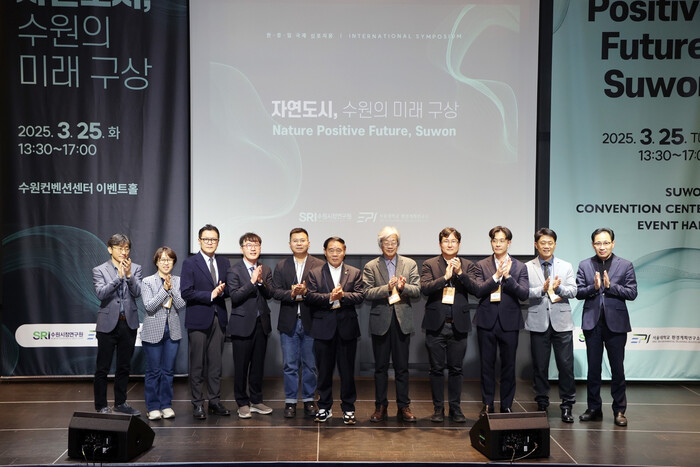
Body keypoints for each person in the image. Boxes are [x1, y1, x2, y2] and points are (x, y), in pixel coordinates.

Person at [576, 227, 637, 427]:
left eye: (606, 242)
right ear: (593, 244)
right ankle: (594, 408)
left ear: (613, 243)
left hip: (616, 324)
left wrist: (612, 287)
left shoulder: (625, 265)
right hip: (592, 323)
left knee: (617, 369)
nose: (602, 247)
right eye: (598, 243)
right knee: (593, 369)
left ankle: (619, 410)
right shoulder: (585, 265)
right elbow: (578, 292)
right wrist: (593, 288)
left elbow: (632, 292)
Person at [420, 227, 478, 423]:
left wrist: (460, 273)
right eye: (446, 241)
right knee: (436, 369)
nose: (450, 244)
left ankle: (455, 408)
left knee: (456, 369)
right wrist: (444, 277)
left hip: (458, 325)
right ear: (440, 244)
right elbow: (425, 288)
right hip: (436, 325)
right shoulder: (430, 264)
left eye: (453, 241)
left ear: (459, 244)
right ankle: (438, 409)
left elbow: (476, 289)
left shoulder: (468, 265)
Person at [363, 226, 420, 423]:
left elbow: (417, 290)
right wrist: (386, 288)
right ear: (380, 244)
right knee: (380, 368)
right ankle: (380, 405)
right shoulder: (371, 266)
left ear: (398, 244)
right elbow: (366, 292)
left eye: (393, 242)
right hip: (381, 322)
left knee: (402, 367)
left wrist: (403, 287)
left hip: (402, 321)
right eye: (386, 242)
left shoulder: (409, 264)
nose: (389, 245)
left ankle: (404, 405)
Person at [306, 237, 364, 425]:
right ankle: (324, 407)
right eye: (331, 250)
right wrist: (330, 297)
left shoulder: (354, 272)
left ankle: (348, 409)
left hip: (347, 329)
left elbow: (360, 295)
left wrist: (343, 296)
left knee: (347, 372)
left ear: (344, 251)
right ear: (325, 252)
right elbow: (310, 297)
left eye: (338, 250)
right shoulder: (315, 273)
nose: (335, 253)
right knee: (323, 372)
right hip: (323, 330)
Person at [474, 226, 529, 415]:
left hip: (510, 322)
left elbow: (524, 294)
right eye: (494, 240)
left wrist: (508, 277)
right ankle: (487, 403)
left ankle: (506, 404)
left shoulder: (520, 267)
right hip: (486, 321)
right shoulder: (481, 265)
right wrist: (496, 276)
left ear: (509, 243)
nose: (497, 244)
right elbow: (478, 290)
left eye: (501, 240)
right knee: (486, 365)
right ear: (491, 242)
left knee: (509, 365)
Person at [524, 228, 577, 423]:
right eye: (542, 243)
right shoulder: (527, 267)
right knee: (540, 367)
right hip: (538, 322)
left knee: (566, 366)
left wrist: (559, 288)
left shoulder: (566, 266)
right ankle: (542, 404)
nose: (546, 246)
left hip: (562, 323)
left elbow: (574, 291)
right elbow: (523, 292)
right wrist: (542, 289)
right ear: (536, 245)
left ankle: (567, 405)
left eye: (550, 243)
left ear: (555, 244)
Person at [272, 228, 324, 418]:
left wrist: (306, 293)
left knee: (310, 365)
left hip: (312, 322)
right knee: (290, 365)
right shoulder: (281, 265)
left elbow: (323, 292)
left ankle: (309, 400)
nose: (299, 243)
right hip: (289, 323)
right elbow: (275, 292)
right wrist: (292, 293)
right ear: (290, 244)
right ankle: (291, 402)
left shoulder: (319, 265)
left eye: (302, 240)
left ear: (308, 243)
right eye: (295, 240)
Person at [181, 224, 230, 420]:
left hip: (219, 317)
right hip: (198, 319)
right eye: (206, 239)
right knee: (197, 365)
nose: (210, 242)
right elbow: (186, 292)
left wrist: (222, 292)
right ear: (199, 241)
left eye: (214, 239)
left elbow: (228, 289)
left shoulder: (224, 262)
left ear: (218, 241)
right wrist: (210, 294)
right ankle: (198, 404)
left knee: (216, 364)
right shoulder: (190, 263)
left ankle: (215, 401)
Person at [92, 233, 142, 415]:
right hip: (107, 324)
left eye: (126, 248)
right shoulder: (99, 270)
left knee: (124, 366)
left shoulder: (135, 268)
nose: (124, 252)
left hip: (128, 323)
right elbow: (101, 293)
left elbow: (137, 292)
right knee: (102, 368)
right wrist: (118, 278)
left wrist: (128, 275)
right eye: (120, 248)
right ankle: (101, 405)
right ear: (110, 249)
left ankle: (121, 403)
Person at [226, 232, 274, 419]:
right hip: (242, 325)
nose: (253, 248)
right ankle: (242, 403)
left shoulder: (265, 269)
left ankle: (256, 400)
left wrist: (261, 282)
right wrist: (252, 281)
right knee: (241, 367)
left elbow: (270, 294)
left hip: (261, 324)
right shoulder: (234, 271)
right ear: (242, 249)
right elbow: (235, 296)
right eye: (249, 245)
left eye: (256, 245)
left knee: (258, 366)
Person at [141, 246, 186, 420]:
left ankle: (166, 405)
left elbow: (181, 304)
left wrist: (171, 288)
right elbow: (149, 306)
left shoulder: (178, 281)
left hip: (172, 331)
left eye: (169, 260)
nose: (166, 263)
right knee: (153, 371)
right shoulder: (147, 281)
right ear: (157, 262)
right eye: (163, 260)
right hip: (153, 331)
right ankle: (152, 407)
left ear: (173, 262)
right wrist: (164, 290)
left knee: (168, 371)